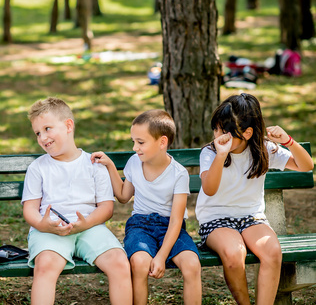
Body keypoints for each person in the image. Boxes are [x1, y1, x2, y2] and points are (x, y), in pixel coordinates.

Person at [196, 93, 314, 305]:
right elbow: (209, 189)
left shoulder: (264, 149)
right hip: (215, 220)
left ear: (247, 133)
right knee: (234, 254)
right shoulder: (210, 153)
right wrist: (221, 154)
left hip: (251, 218)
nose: (218, 137)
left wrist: (289, 141)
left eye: (225, 132)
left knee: (273, 252)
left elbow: (306, 166)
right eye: (216, 129)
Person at [21, 97, 132, 305]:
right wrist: (42, 224)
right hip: (51, 230)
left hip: (90, 226)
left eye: (47, 128)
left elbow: (107, 208)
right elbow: (30, 209)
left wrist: (86, 223)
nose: (43, 137)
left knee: (119, 262)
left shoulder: (94, 165)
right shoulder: (38, 168)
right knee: (45, 265)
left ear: (68, 125)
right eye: (38, 133)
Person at [92, 109, 202, 305]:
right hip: (140, 226)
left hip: (171, 228)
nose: (135, 147)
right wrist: (110, 165)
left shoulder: (179, 174)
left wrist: (161, 256)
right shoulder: (135, 163)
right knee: (139, 263)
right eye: (134, 141)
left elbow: (177, 220)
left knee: (192, 265)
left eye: (140, 142)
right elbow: (124, 196)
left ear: (162, 142)